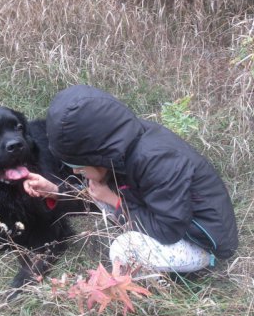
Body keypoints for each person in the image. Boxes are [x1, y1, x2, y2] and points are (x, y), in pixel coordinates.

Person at [23, 84, 239, 275]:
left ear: (94, 155)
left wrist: (116, 202)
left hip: (199, 239)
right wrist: (56, 190)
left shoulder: (158, 162)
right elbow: (94, 195)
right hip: (168, 217)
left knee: (124, 248)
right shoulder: (119, 145)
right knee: (100, 195)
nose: (78, 172)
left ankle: (155, 284)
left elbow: (168, 230)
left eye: (78, 166)